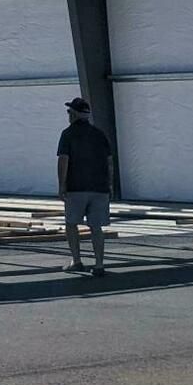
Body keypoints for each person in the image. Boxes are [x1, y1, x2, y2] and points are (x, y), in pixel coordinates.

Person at [56, 97, 113, 277]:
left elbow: (63, 160)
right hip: (99, 188)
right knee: (96, 227)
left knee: (71, 224)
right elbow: (109, 162)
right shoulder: (99, 134)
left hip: (76, 187)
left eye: (69, 112)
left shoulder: (68, 134)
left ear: (73, 114)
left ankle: (77, 261)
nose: (68, 115)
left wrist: (62, 185)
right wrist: (109, 184)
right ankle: (99, 264)